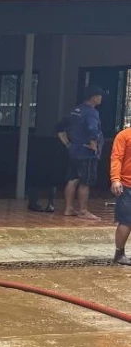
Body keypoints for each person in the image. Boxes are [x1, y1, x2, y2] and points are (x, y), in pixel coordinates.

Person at [61, 85, 105, 220]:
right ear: (94, 98)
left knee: (72, 179)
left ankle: (68, 208)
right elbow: (92, 129)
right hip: (86, 152)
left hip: (74, 150)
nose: (101, 99)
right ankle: (83, 210)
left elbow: (60, 127)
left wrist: (68, 143)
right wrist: (93, 145)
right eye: (100, 96)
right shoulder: (92, 112)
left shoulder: (75, 110)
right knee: (85, 181)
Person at [110, 124, 131, 265]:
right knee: (126, 220)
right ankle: (119, 253)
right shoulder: (124, 136)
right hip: (126, 184)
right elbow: (116, 158)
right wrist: (115, 179)